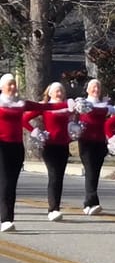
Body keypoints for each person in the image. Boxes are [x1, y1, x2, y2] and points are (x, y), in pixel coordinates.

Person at [28, 82, 73, 220]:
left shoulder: (68, 107)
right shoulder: (45, 106)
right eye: (57, 91)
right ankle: (52, 209)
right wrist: (35, 131)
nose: (60, 93)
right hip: (49, 146)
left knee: (59, 177)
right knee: (53, 176)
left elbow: (79, 118)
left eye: (61, 91)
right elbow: (25, 118)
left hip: (64, 146)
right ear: (50, 93)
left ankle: (56, 207)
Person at [0, 73, 35, 232]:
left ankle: (8, 218)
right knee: (6, 182)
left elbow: (44, 107)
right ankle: (5, 218)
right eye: (9, 84)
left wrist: (68, 104)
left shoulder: (20, 104)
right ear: (2, 87)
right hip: (2, 146)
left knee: (11, 184)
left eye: (14, 84)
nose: (13, 87)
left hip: (17, 147)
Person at [73, 79, 112, 215]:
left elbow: (114, 116)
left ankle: (88, 203)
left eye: (98, 88)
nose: (96, 90)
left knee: (95, 172)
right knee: (90, 170)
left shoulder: (104, 104)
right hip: (86, 142)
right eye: (93, 87)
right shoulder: (82, 103)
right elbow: (81, 114)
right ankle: (92, 202)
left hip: (100, 142)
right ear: (88, 90)